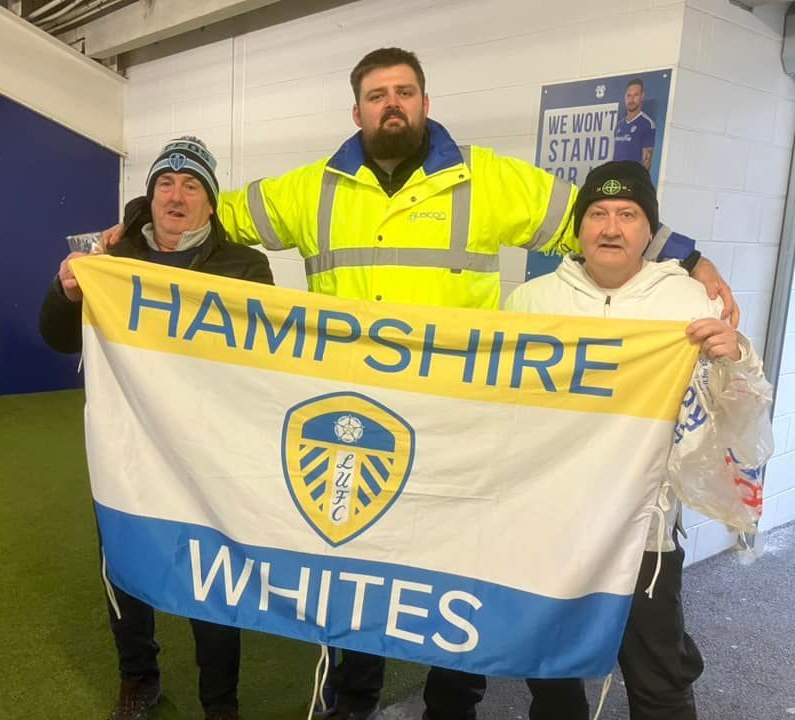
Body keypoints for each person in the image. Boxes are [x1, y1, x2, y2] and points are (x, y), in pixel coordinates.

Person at [102, 48, 739, 720]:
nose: (392, 104)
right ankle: (353, 701)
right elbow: (211, 210)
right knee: (352, 562)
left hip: (456, 424)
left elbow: (598, 213)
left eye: (404, 91)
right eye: (377, 95)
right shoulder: (314, 186)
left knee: (455, 560)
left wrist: (691, 257)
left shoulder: (489, 179)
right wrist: (137, 224)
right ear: (357, 111)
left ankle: (451, 700)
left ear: (425, 103)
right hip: (354, 417)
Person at [505, 160, 768, 720]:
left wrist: (737, 360)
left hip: (643, 527)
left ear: (651, 231)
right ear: (578, 228)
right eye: (597, 213)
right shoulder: (529, 303)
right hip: (549, 520)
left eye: (628, 214)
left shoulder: (686, 303)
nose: (610, 227)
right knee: (549, 667)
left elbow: (737, 413)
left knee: (657, 676)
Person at [39, 136, 273, 720]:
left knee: (213, 578)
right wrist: (65, 292)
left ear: (211, 202)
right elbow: (61, 337)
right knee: (126, 563)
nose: (177, 194)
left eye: (192, 185)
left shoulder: (245, 266)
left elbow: (270, 356)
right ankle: (138, 678)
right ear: (151, 195)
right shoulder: (110, 262)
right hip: (129, 447)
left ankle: (220, 702)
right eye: (165, 183)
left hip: (211, 449)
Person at [613, 78, 656, 170]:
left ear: (642, 96)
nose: (631, 99)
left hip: (633, 179)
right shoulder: (619, 125)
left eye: (635, 95)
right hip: (616, 179)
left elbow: (647, 162)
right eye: (629, 95)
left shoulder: (647, 124)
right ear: (625, 97)